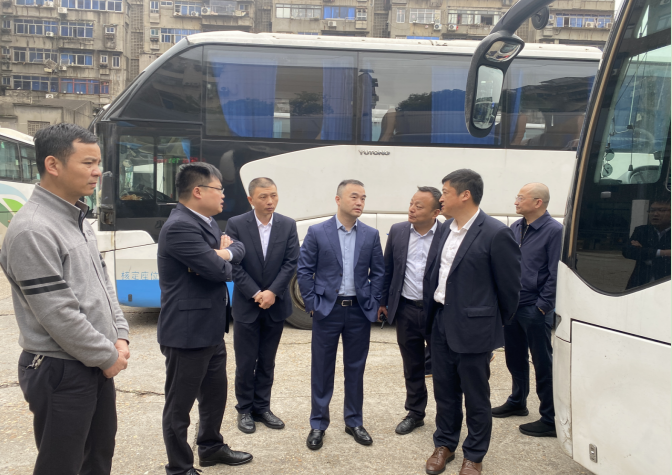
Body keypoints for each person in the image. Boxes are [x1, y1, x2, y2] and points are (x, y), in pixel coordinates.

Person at [0, 123, 129, 475]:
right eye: (88, 163)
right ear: (53, 165)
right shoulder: (32, 229)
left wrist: (119, 333)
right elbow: (58, 313)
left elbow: (103, 282)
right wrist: (107, 356)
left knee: (98, 456)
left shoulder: (78, 218)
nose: (97, 172)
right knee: (62, 465)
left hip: (94, 361)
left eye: (98, 163)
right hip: (62, 369)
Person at [424, 169, 521, 475]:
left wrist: (491, 329)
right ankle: (445, 444)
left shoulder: (495, 232)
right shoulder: (444, 228)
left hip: (474, 330)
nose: (441, 198)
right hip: (441, 322)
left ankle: (474, 455)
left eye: (445, 192)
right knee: (444, 391)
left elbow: (510, 289)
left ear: (465, 195)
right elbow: (435, 275)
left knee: (476, 397)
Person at [157, 162, 251, 475]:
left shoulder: (206, 222)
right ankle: (179, 467)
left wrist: (222, 252)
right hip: (186, 333)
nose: (224, 194)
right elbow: (219, 271)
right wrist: (220, 256)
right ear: (198, 191)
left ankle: (211, 448)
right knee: (179, 407)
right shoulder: (180, 226)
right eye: (219, 188)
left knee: (214, 396)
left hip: (211, 328)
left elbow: (238, 249)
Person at [297, 179, 385, 451]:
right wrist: (312, 303)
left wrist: (373, 301)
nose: (360, 202)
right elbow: (304, 270)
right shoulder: (317, 232)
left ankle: (354, 421)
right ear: (338, 200)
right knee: (322, 369)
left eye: (363, 198)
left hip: (358, 310)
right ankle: (318, 424)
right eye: (354, 197)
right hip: (328, 310)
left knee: (355, 368)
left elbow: (379, 272)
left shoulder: (370, 234)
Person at [225, 177, 299, 434]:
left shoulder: (287, 225)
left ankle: (262, 407)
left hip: (275, 305)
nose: (270, 201)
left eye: (274, 195)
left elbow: (291, 262)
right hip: (247, 305)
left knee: (268, 361)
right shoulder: (236, 224)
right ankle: (244, 409)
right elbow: (234, 264)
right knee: (246, 362)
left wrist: (272, 292)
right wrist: (257, 293)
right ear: (251, 199)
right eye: (263, 197)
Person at [491, 183, 562, 438]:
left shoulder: (554, 231)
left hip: (535, 308)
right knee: (514, 357)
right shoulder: (516, 227)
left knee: (542, 362)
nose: (516, 202)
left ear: (538, 202)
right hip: (513, 306)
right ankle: (518, 401)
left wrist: (543, 306)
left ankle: (550, 418)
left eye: (520, 198)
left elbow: (556, 272)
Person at [379, 186, 444, 435]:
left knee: (442, 367)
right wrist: (383, 302)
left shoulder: (447, 233)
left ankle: (445, 417)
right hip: (406, 309)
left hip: (436, 312)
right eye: (411, 203)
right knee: (412, 365)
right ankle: (415, 413)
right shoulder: (398, 231)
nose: (412, 209)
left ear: (436, 212)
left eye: (419, 206)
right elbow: (387, 269)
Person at [623, 199, 671, 289]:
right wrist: (663, 253)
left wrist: (644, 253)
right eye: (652, 210)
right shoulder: (642, 230)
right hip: (639, 285)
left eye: (661, 210)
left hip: (666, 286)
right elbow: (627, 251)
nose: (655, 214)